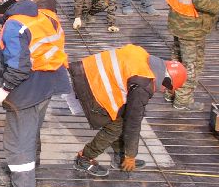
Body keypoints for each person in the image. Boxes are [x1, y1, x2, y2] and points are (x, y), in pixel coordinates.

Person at [0, 0, 72, 187]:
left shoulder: (14, 25)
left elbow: (19, 66)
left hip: (28, 86)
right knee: (32, 131)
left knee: (17, 142)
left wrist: (5, 89)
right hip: (51, 82)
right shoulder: (44, 15)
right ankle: (29, 172)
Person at [69, 45, 188, 176]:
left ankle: (120, 156)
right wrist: (131, 155)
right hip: (90, 86)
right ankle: (83, 158)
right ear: (166, 80)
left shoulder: (143, 55)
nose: (164, 91)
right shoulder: (143, 84)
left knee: (122, 115)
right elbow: (133, 123)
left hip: (86, 72)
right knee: (116, 125)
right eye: (167, 88)